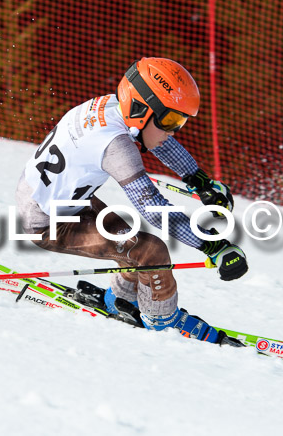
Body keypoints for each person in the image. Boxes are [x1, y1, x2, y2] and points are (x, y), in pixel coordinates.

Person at [15, 57, 248, 344]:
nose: (175, 129)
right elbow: (152, 207)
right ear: (141, 108)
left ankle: (121, 300)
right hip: (47, 221)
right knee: (151, 252)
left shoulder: (113, 106)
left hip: (54, 198)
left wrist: (199, 180)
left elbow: (158, 140)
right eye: (172, 119)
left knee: (132, 243)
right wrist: (214, 246)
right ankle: (163, 321)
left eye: (181, 120)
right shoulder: (114, 144)